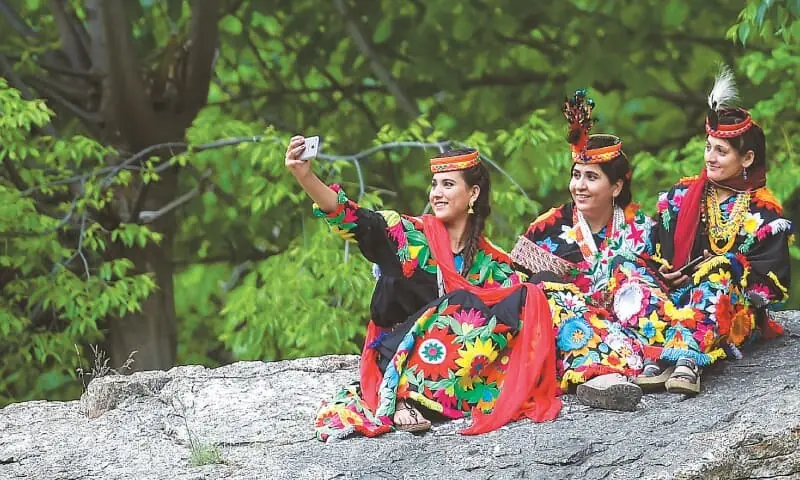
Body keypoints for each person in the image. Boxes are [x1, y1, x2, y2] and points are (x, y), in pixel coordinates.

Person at [285, 137, 560, 441]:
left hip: (455, 364)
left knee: (530, 296)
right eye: (434, 185)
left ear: (473, 193)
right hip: (398, 354)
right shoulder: (407, 234)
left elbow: (521, 306)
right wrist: (305, 176)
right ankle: (403, 396)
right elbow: (355, 219)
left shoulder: (491, 262)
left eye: (447, 185)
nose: (437, 194)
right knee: (461, 301)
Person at [608, 66, 793, 394]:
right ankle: (659, 350)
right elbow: (654, 250)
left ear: (747, 158)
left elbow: (769, 289)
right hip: (674, 296)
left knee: (717, 278)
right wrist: (663, 269)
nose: (710, 157)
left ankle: (686, 359)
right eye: (708, 148)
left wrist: (728, 267)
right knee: (625, 265)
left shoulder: (764, 212)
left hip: (727, 306)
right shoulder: (679, 197)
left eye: (721, 151)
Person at [512, 90, 652, 407]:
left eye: (591, 177)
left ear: (616, 186)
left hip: (629, 328)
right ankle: (599, 376)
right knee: (547, 293)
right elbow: (518, 292)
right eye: (576, 175)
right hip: (569, 334)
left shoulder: (642, 227)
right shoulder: (546, 228)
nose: (580, 186)